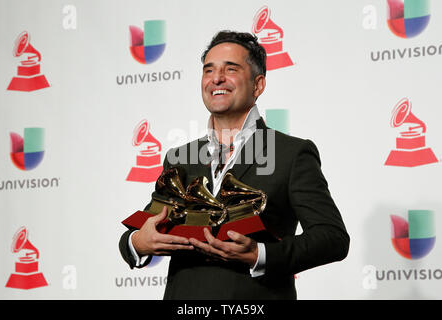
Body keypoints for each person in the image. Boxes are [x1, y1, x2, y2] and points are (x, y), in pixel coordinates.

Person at [119, 30, 349, 299]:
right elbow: (144, 227)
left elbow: (332, 238)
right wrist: (137, 242)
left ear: (258, 84)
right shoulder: (179, 157)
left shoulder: (291, 153)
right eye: (209, 70)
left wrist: (260, 255)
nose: (216, 78)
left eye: (231, 69)